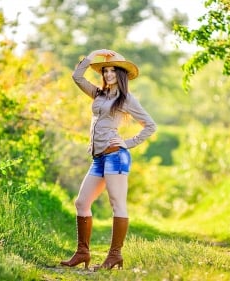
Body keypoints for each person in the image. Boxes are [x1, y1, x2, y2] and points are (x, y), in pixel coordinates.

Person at [60, 49, 157, 270]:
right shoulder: (98, 94)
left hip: (116, 156)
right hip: (98, 158)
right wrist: (93, 55)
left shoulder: (127, 99)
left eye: (113, 70)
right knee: (82, 202)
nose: (109, 74)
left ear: (121, 74)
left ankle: (115, 256)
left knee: (117, 204)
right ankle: (83, 252)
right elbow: (77, 77)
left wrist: (129, 142)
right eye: (106, 70)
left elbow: (150, 125)